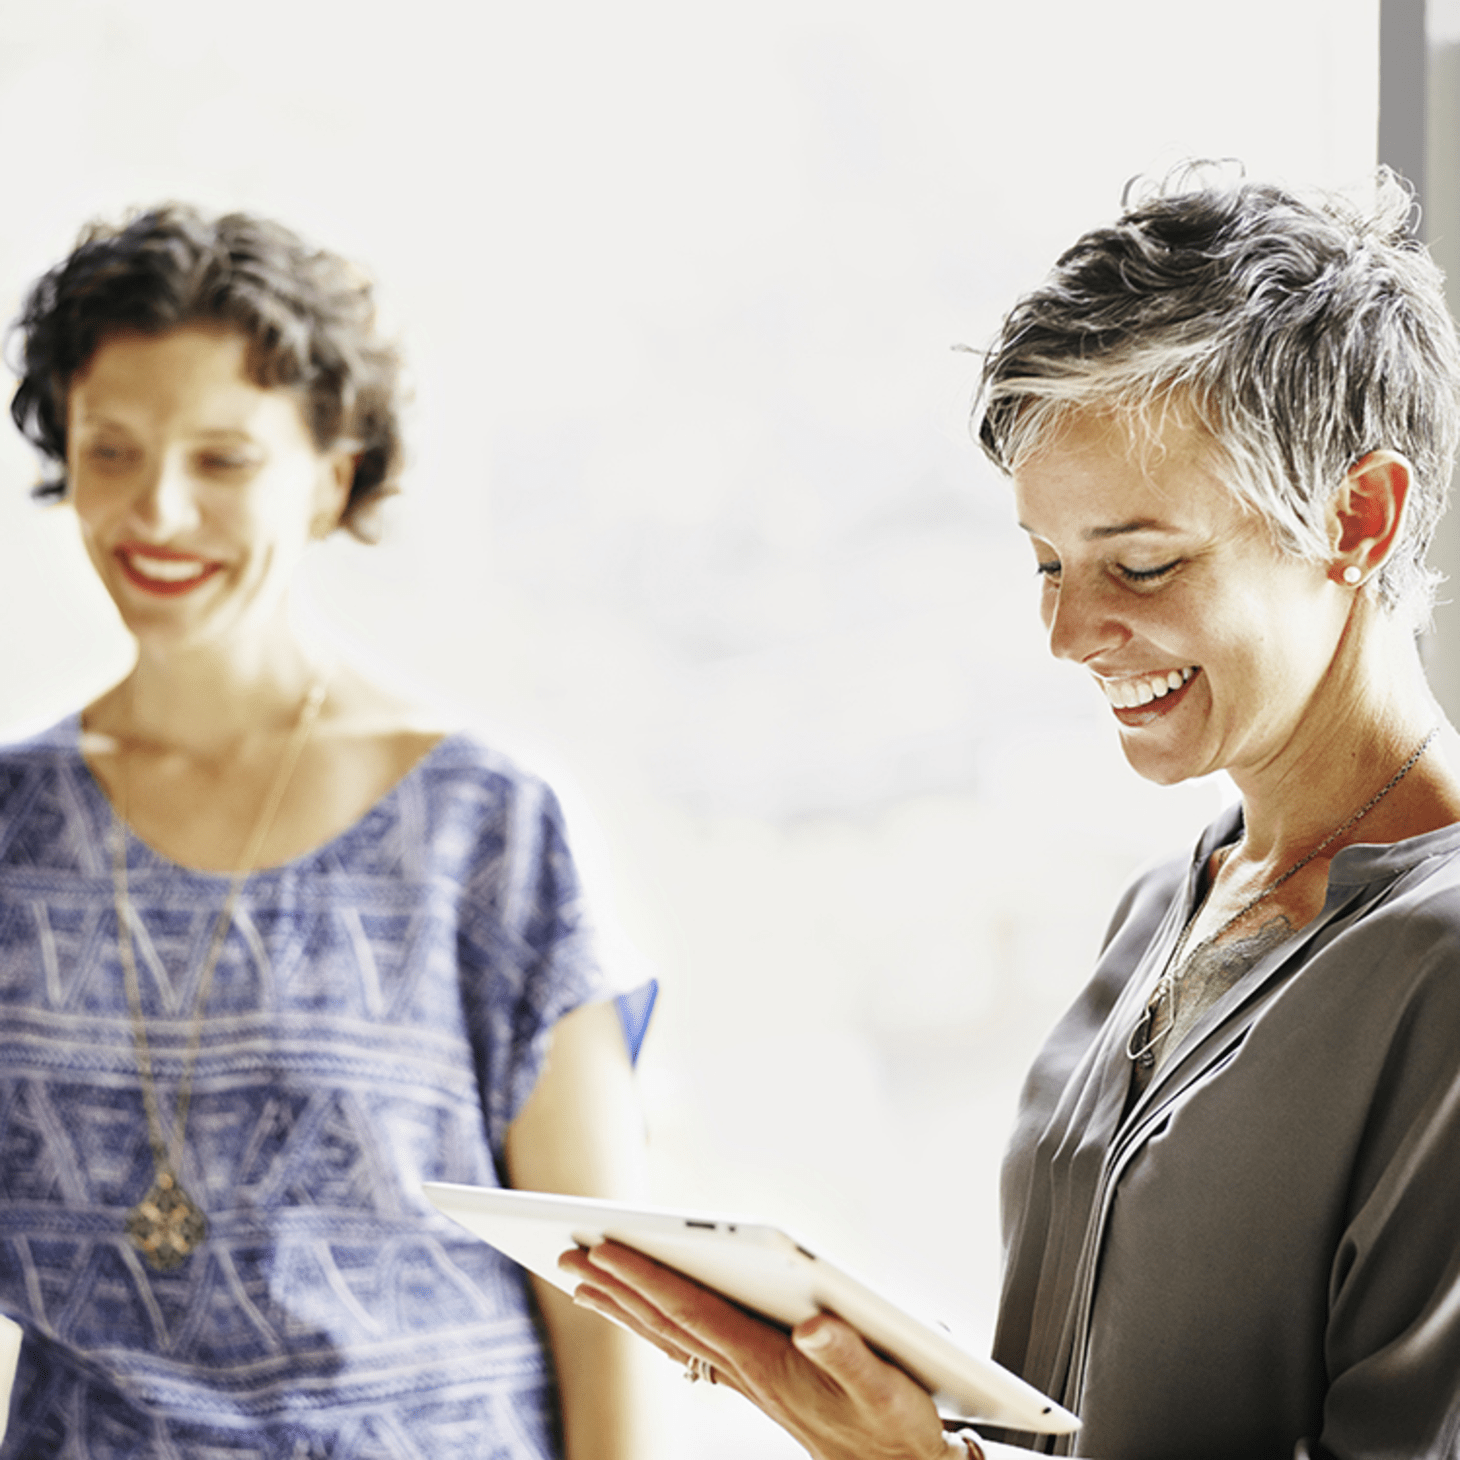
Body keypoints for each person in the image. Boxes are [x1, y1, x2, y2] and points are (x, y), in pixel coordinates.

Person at [559, 172, 1460, 1459]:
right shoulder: (1173, 900)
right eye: (1045, 562)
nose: (1065, 632)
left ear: (1354, 517)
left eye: (1139, 561)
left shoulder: (1441, 965)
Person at [0, 205, 658, 1459]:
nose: (158, 509)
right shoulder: (10, 822)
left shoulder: (486, 825)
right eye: (112, 450)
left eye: (225, 458)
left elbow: (607, 1292)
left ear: (332, 470)